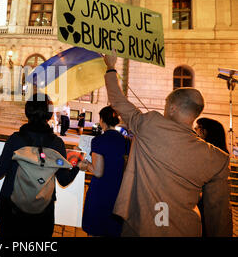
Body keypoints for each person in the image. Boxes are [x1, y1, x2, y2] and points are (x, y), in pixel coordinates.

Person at [103, 50, 232, 237]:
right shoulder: (217, 159)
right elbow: (218, 215)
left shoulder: (150, 124)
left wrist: (111, 67)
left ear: (172, 107)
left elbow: (117, 100)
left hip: (141, 226)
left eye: (165, 105)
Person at [0, 93, 82, 238]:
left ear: (28, 111)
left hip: (12, 214)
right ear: (50, 114)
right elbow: (64, 180)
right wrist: (78, 167)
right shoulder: (57, 144)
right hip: (43, 216)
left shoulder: (16, 140)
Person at [80, 106, 130, 237]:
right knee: (113, 229)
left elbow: (97, 171)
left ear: (102, 120)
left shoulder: (99, 141)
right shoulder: (125, 141)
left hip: (101, 191)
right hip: (118, 190)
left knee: (97, 228)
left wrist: (86, 164)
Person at [194, 117, 229, 237]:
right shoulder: (220, 155)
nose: (194, 132)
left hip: (207, 207)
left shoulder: (211, 156)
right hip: (214, 209)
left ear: (204, 132)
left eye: (196, 129)